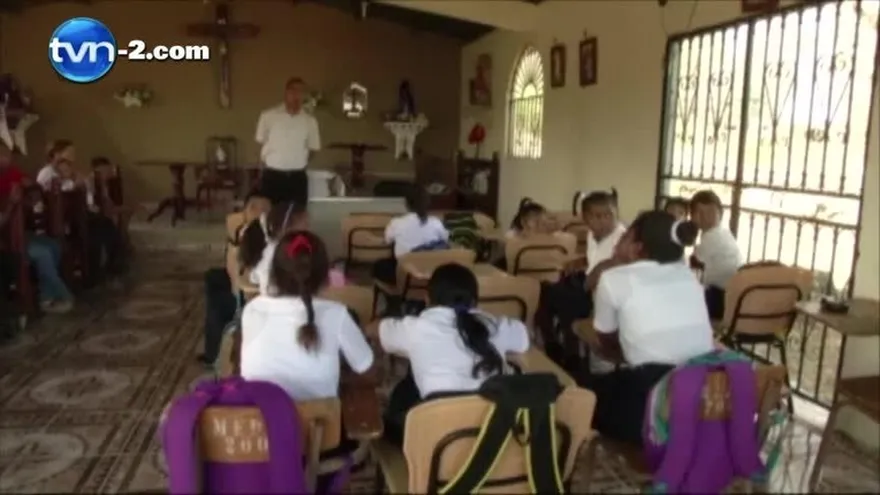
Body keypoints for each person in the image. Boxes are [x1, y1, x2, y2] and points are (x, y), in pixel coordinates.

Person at [584, 210, 714, 445]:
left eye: (625, 236)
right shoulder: (688, 277)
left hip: (652, 408)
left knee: (578, 395)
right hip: (702, 400)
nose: (618, 240)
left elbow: (606, 341)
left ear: (636, 246)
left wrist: (635, 346)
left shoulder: (613, 279)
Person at [377, 263, 530, 446]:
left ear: (427, 299)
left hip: (439, 444)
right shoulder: (493, 324)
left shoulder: (415, 327)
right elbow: (524, 338)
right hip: (495, 437)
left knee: (393, 414)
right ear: (475, 302)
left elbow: (378, 330)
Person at [240, 230, 374, 406]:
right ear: (325, 276)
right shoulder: (337, 314)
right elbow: (366, 370)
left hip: (259, 427)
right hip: (319, 429)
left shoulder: (252, 309)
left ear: (273, 272)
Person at [537, 189, 626, 368]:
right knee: (545, 293)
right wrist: (580, 261)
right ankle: (556, 345)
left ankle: (570, 355)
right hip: (587, 282)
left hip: (606, 294)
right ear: (585, 218)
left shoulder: (622, 239)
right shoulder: (592, 235)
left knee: (565, 300)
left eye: (609, 215)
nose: (604, 220)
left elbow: (613, 265)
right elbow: (595, 258)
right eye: (597, 216)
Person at [197, 190, 271, 366]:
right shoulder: (242, 230)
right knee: (213, 277)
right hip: (242, 281)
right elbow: (233, 261)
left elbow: (248, 272)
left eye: (262, 209)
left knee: (217, 302)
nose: (257, 212)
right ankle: (213, 348)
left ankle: (213, 353)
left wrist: (236, 285)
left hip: (255, 293)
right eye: (252, 207)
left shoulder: (265, 235)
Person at [37, 140, 126, 284]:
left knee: (103, 226)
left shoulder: (69, 171)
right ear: (57, 154)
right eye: (69, 152)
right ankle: (94, 272)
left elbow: (83, 188)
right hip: (58, 220)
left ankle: (108, 266)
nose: (73, 156)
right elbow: (58, 194)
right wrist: (73, 183)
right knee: (96, 228)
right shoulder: (47, 172)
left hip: (76, 216)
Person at [0, 143, 74, 313]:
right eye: (3, 155)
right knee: (43, 253)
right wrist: (11, 203)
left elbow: (32, 186)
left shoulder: (12, 172)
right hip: (6, 237)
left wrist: (31, 192)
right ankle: (62, 294)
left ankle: (46, 297)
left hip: (19, 230)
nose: (7, 159)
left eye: (7, 155)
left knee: (54, 245)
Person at [255, 77, 321, 206]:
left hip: (296, 177)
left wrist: (297, 160)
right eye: (293, 91)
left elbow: (313, 149)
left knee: (297, 217)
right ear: (286, 93)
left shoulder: (310, 121)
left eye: (301, 92)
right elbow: (260, 141)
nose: (297, 95)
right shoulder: (268, 116)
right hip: (272, 176)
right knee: (269, 216)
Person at [371, 185, 449, 285]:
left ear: (406, 204)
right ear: (427, 203)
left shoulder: (397, 223)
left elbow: (387, 240)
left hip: (405, 273)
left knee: (379, 266)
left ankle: (394, 297)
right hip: (431, 274)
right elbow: (445, 240)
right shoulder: (436, 223)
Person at [689, 190, 742, 319]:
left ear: (720, 214)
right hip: (732, 295)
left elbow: (694, 270)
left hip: (720, 298)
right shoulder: (724, 233)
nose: (705, 217)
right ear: (692, 216)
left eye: (710, 212)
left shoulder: (712, 237)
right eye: (699, 212)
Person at [239, 201, 309, 295]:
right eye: (305, 225)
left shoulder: (269, 250)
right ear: (287, 227)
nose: (308, 230)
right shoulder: (279, 253)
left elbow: (254, 278)